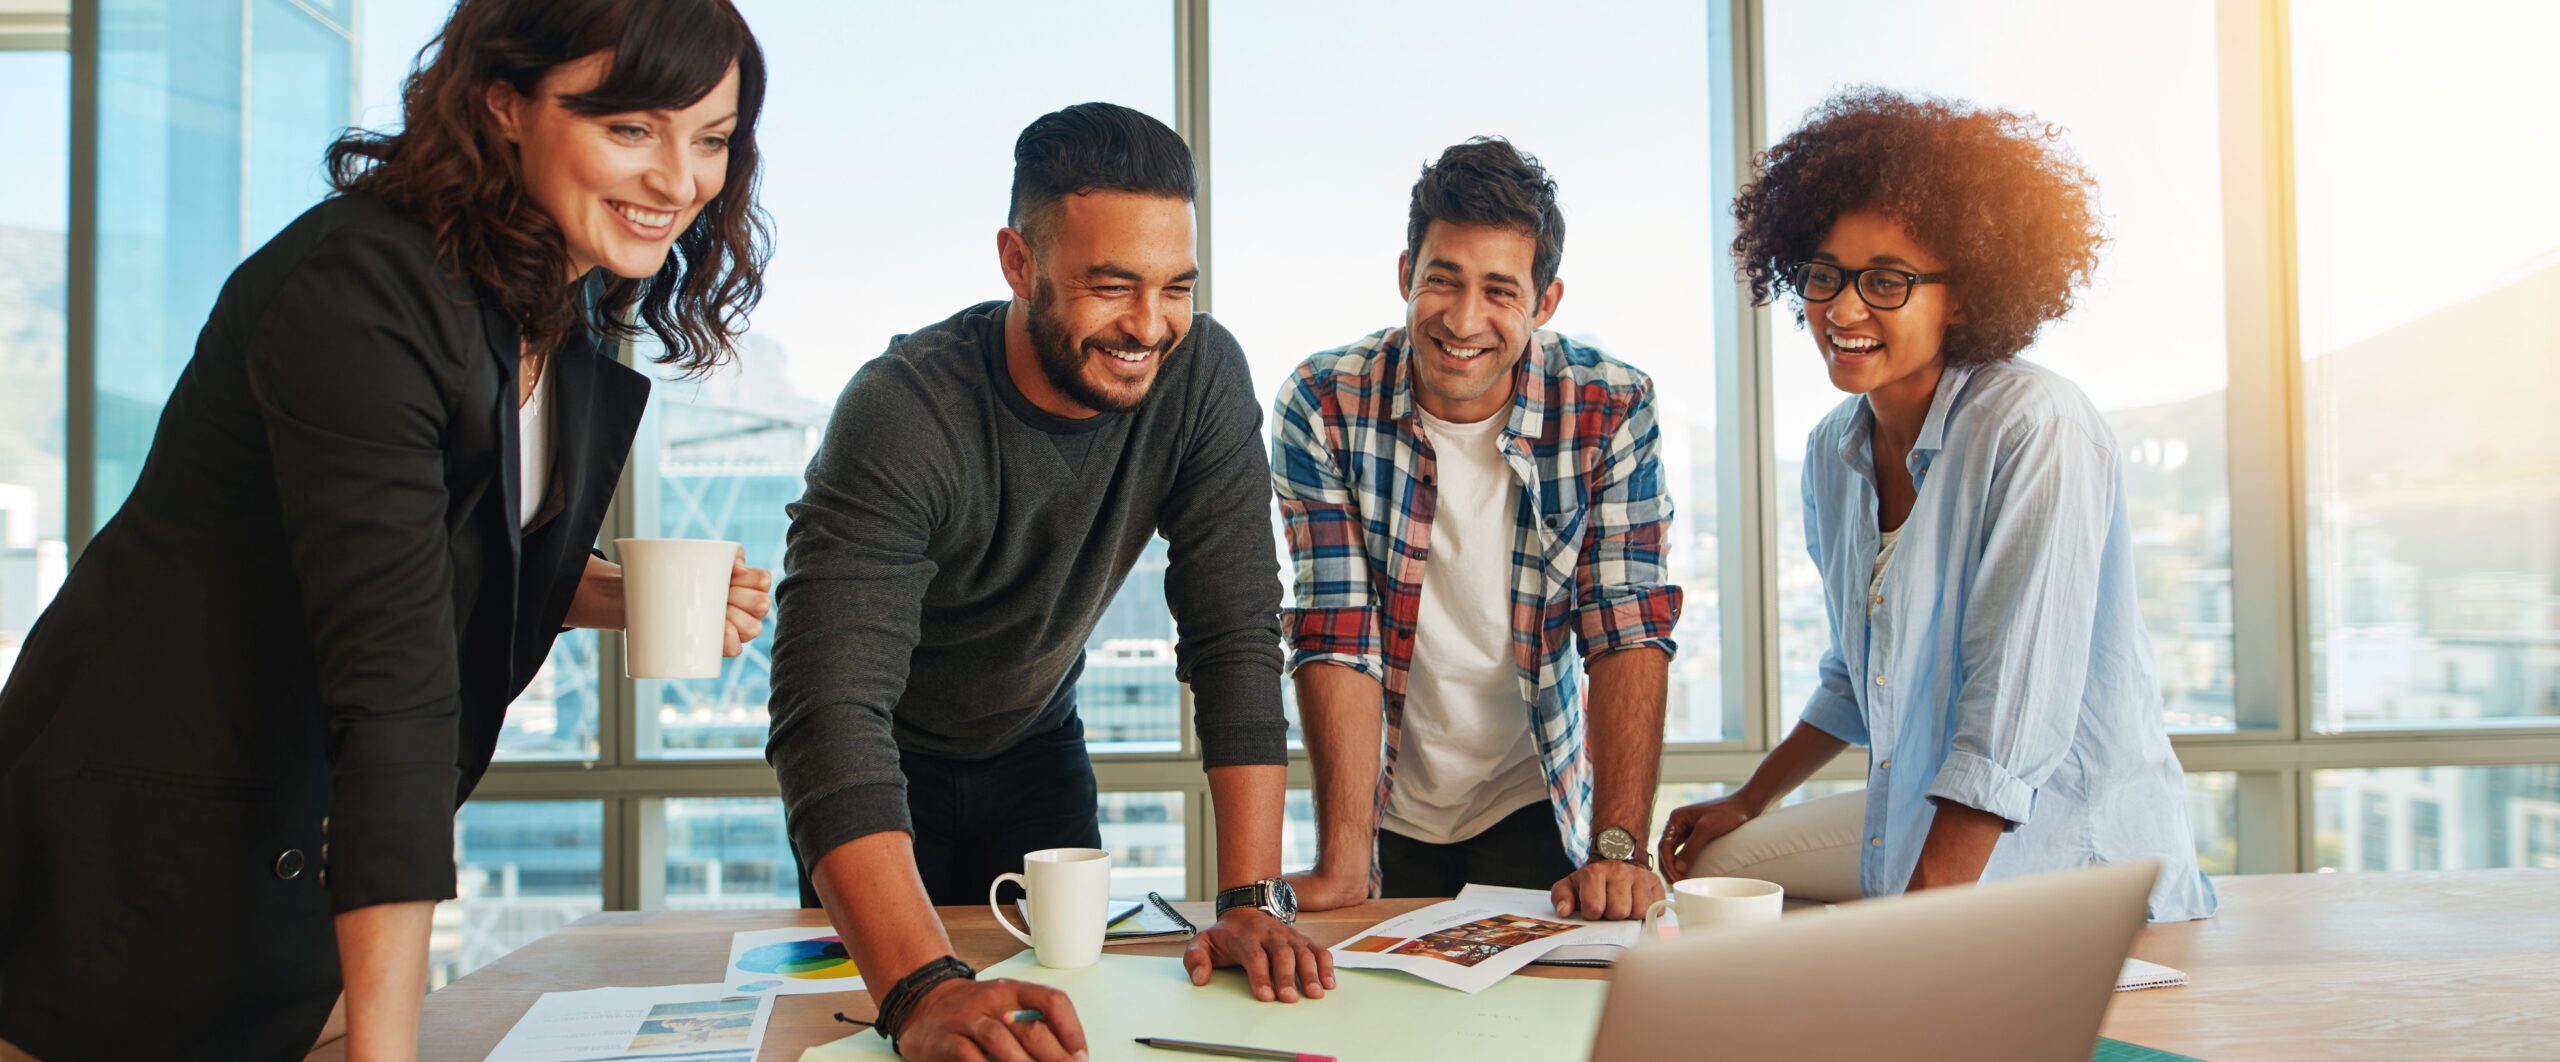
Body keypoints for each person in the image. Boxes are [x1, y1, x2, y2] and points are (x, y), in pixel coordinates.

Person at [0, 2, 774, 1057]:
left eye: (712, 139)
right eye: (630, 128)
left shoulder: (549, 307)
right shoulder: (360, 286)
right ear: (505, 102)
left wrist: (602, 592)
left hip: (294, 903)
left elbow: (435, 545)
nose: (679, 179)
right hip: (132, 888)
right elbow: (394, 686)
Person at [767, 102, 1327, 1062]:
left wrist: (1248, 900)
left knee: (1071, 1029)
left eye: (1175, 287)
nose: (1150, 327)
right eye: (1113, 286)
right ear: (1019, 264)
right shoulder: (903, 413)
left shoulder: (1199, 376)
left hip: (1037, 754)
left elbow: (1233, 631)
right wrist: (917, 990)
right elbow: (829, 712)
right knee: (899, 1038)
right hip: (879, 776)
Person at [1658, 88, 2216, 922]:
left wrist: (1920, 930)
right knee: (1721, 861)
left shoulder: (2037, 425)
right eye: (1824, 275)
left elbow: (2010, 717)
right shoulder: (1831, 452)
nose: (1841, 310)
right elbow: (1857, 676)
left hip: (2071, 857)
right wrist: (1751, 796)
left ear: (1963, 294)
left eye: (1887, 282)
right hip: (1930, 818)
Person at [1272, 138, 1683, 922]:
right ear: (1405, 276)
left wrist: (1618, 848)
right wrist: (1345, 857)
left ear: (1546, 301)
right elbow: (1337, 629)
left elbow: (1624, 625)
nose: (1464, 320)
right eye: (1442, 281)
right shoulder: (1324, 401)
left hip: (1529, 793)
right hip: (1385, 801)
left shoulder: (1610, 404)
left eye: (1499, 290)